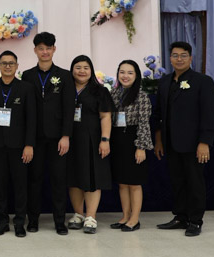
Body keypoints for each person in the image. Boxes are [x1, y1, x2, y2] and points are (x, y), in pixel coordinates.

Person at [155, 41, 214, 237]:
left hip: (193, 143)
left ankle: (195, 221)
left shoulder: (203, 81)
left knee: (194, 182)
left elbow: (209, 113)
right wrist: (159, 140)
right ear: (170, 58)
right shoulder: (165, 82)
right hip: (171, 143)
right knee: (177, 181)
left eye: (183, 55)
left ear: (190, 58)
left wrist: (204, 142)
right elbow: (159, 114)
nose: (179, 59)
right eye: (175, 55)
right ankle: (181, 217)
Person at [22, 31, 74, 235]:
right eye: (41, 48)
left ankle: (60, 221)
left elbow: (69, 107)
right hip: (34, 138)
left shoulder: (65, 75)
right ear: (35, 50)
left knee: (59, 180)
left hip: (57, 138)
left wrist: (66, 135)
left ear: (54, 49)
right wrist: (28, 140)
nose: (45, 52)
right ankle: (33, 220)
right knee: (34, 180)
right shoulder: (28, 75)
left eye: (48, 48)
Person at [0, 51, 36, 237]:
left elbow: (32, 119)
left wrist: (29, 144)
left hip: (20, 146)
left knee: (20, 186)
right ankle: (2, 222)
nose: (7, 66)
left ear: (17, 66)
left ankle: (20, 222)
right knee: (0, 186)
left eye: (11, 63)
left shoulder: (26, 88)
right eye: (4, 63)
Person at [66, 55, 113, 234]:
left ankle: (91, 216)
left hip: (92, 140)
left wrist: (105, 140)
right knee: (74, 177)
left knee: (92, 177)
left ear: (91, 70)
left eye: (86, 68)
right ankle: (78, 214)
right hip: (70, 140)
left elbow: (105, 116)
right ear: (72, 70)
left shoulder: (99, 91)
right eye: (78, 67)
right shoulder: (66, 89)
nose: (82, 71)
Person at [109, 59, 153, 232]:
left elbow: (144, 123)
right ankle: (125, 216)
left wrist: (141, 147)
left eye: (129, 73)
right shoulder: (113, 93)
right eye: (122, 72)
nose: (125, 76)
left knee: (134, 183)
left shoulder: (141, 96)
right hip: (117, 140)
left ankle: (134, 219)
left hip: (134, 140)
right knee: (122, 182)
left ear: (136, 76)